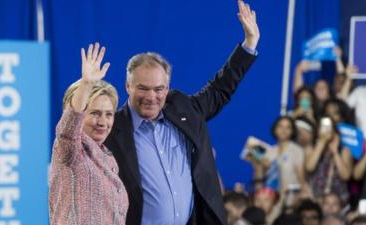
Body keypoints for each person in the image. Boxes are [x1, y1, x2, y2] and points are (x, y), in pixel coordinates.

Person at [104, 1, 260, 224]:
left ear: (167, 88)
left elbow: (220, 89)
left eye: (159, 89)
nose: (151, 97)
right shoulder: (111, 128)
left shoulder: (182, 108)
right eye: (142, 88)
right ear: (128, 86)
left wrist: (249, 43)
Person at [49, 43, 128, 224]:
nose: (103, 122)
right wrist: (86, 84)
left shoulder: (109, 158)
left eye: (108, 114)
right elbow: (69, 128)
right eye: (94, 113)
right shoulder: (68, 149)